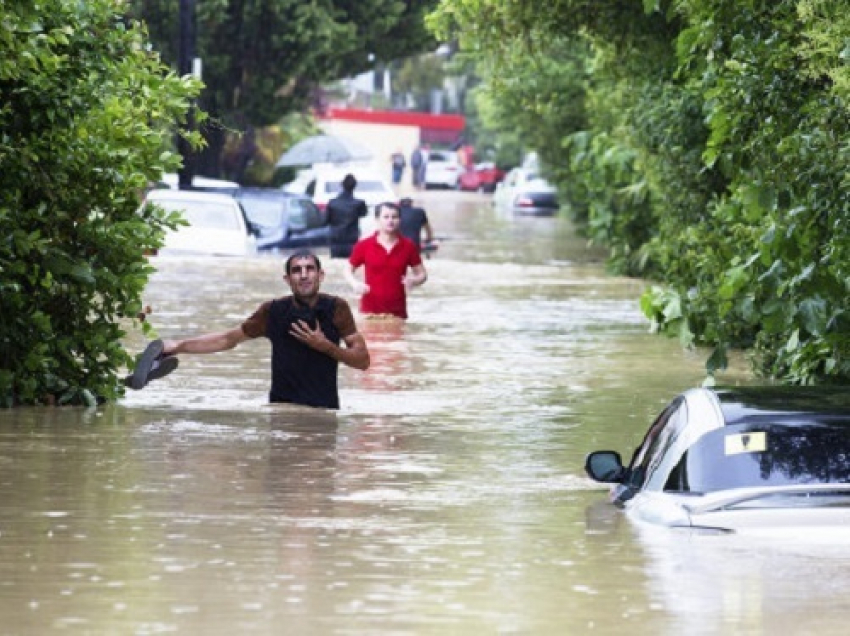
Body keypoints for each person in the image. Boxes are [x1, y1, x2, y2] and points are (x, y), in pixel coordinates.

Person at [156, 252, 370, 410]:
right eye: (296, 270)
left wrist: (327, 347)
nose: (304, 275)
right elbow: (228, 339)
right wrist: (177, 346)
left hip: (324, 412)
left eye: (309, 269)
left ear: (321, 275)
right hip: (282, 411)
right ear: (287, 279)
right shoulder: (273, 311)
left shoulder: (336, 308)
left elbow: (363, 361)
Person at [345, 202, 427, 320]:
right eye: (386, 217)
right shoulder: (364, 245)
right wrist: (355, 284)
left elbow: (422, 274)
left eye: (394, 217)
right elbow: (348, 270)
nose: (390, 220)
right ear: (377, 220)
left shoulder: (408, 246)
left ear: (400, 220)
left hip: (397, 313)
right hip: (369, 312)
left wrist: (413, 281)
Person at [326, 173, 367, 258]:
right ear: (355, 186)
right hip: (351, 239)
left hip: (336, 239)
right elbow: (363, 213)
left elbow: (326, 220)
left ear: (342, 185)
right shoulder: (359, 203)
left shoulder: (332, 203)